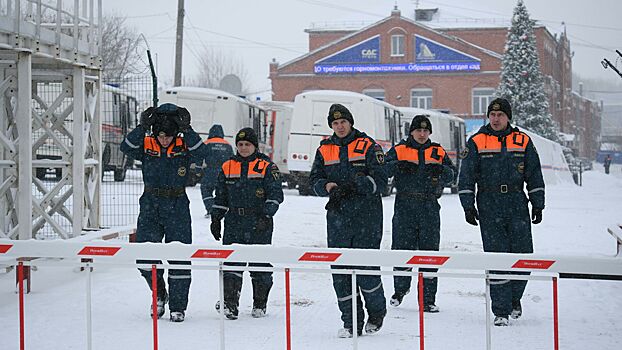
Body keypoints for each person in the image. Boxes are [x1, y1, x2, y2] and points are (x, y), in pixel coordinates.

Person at [458, 98, 545, 327]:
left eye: (500, 115)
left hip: (517, 202)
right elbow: (466, 176)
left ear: (508, 117)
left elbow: (534, 174)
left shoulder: (523, 141)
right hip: (489, 203)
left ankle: (514, 298)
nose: (495, 119)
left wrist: (538, 203)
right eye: (492, 115)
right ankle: (501, 311)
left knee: (523, 256)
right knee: (497, 257)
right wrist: (467, 205)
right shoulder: (476, 141)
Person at [120, 103, 207, 323]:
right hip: (150, 203)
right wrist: (142, 127)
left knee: (179, 258)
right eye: (160, 135)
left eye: (168, 136)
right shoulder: (147, 143)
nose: (164, 140)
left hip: (177, 204)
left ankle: (178, 307)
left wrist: (187, 130)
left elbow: (203, 153)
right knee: (144, 257)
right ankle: (159, 293)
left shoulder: (183, 144)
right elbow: (126, 147)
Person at [309, 104, 388, 338]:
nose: (340, 126)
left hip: (367, 215)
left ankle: (376, 312)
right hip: (338, 216)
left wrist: (357, 185)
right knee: (340, 270)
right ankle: (351, 322)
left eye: (343, 122)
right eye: (335, 123)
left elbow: (382, 180)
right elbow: (314, 178)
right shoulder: (324, 149)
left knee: (366, 268)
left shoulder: (368, 145)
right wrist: (326, 187)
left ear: (350, 122)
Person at [210, 127, 284, 320]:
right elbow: (221, 195)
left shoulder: (267, 166)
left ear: (255, 146)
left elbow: (276, 194)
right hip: (234, 221)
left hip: (259, 221)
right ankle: (230, 304)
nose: (243, 148)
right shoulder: (227, 166)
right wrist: (216, 218)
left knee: (259, 264)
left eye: (247, 144)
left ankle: (260, 304)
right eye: (240, 144)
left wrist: (266, 215)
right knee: (231, 263)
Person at [385, 115, 457, 312]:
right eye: (419, 130)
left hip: (429, 206)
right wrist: (397, 165)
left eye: (426, 131)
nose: (422, 134)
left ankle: (428, 300)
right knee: (402, 251)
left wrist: (441, 170)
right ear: (411, 132)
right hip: (405, 205)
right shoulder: (400, 150)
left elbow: (452, 175)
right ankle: (400, 290)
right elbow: (382, 170)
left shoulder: (437, 151)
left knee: (429, 254)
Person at [200, 124, 234, 217]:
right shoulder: (228, 145)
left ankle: (211, 209)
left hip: (210, 170)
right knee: (222, 192)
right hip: (224, 172)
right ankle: (221, 210)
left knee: (206, 189)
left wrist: (198, 170)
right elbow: (233, 160)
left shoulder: (206, 143)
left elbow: (200, 158)